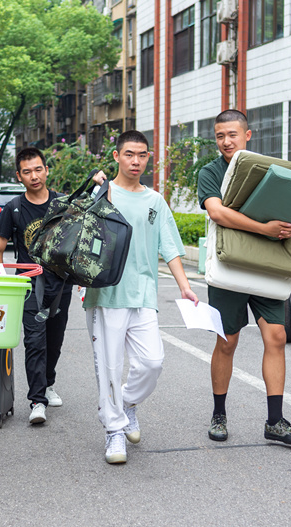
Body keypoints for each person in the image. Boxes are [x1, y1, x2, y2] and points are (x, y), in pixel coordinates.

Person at [83, 130, 199, 464]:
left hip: (143, 291)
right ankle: (114, 432)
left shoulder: (155, 200)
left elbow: (170, 245)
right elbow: (79, 236)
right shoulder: (101, 193)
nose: (136, 161)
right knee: (108, 365)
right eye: (130, 154)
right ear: (117, 156)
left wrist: (185, 285)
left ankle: (127, 404)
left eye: (143, 155)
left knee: (152, 362)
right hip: (105, 292)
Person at [197, 109, 291, 445]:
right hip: (230, 267)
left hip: (267, 268)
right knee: (227, 342)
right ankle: (219, 414)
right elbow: (216, 212)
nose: (226, 141)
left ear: (248, 135)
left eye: (232, 134)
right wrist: (263, 228)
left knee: (276, 337)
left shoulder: (269, 170)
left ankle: (275, 421)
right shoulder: (210, 172)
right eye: (219, 135)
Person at [0, 147, 73, 425]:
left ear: (46, 170)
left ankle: (48, 383)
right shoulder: (13, 208)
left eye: (38, 169)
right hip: (29, 287)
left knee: (55, 341)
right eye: (27, 171)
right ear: (19, 176)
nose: (34, 176)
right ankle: (38, 400)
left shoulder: (63, 203)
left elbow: (77, 244)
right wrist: (1, 281)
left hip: (61, 286)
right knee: (34, 342)